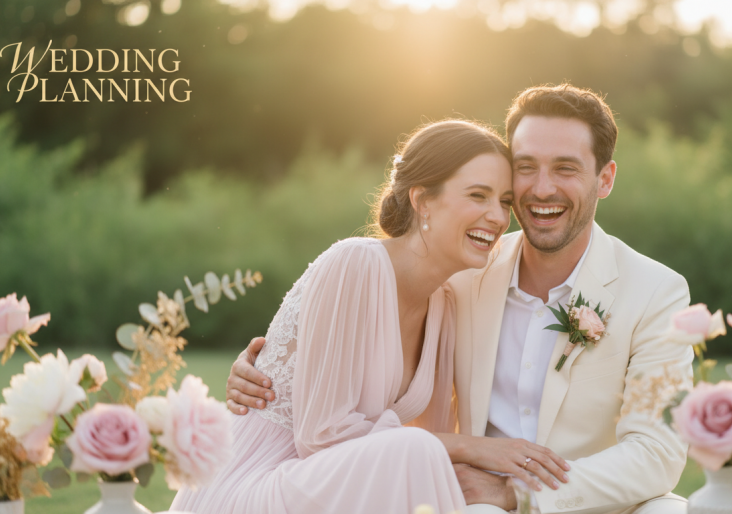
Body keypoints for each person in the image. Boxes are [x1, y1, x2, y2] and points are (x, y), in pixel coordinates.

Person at [228, 85, 694, 514]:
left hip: (579, 501)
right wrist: (270, 371)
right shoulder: (464, 276)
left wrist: (518, 494)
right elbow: (346, 396)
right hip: (463, 500)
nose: (541, 188)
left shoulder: (654, 291)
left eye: (565, 168)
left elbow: (657, 452)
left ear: (605, 179)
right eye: (525, 168)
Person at [171, 119, 569, 514]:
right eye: (478, 195)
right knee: (417, 450)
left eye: (504, 202)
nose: (498, 217)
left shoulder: (443, 304)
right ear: (422, 201)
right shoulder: (355, 263)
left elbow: (426, 442)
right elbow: (321, 436)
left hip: (331, 484)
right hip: (257, 482)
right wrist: (472, 448)